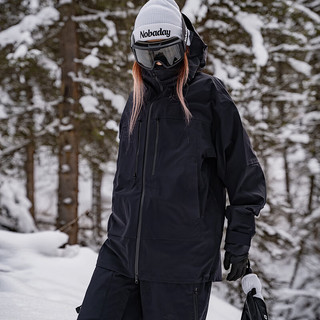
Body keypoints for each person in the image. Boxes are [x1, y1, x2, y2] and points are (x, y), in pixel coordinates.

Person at [76, 0, 267, 319]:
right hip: (121, 256)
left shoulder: (209, 96)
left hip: (181, 266)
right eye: (149, 55)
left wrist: (238, 239)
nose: (159, 65)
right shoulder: (136, 100)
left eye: (168, 53)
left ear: (185, 45)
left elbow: (244, 175)